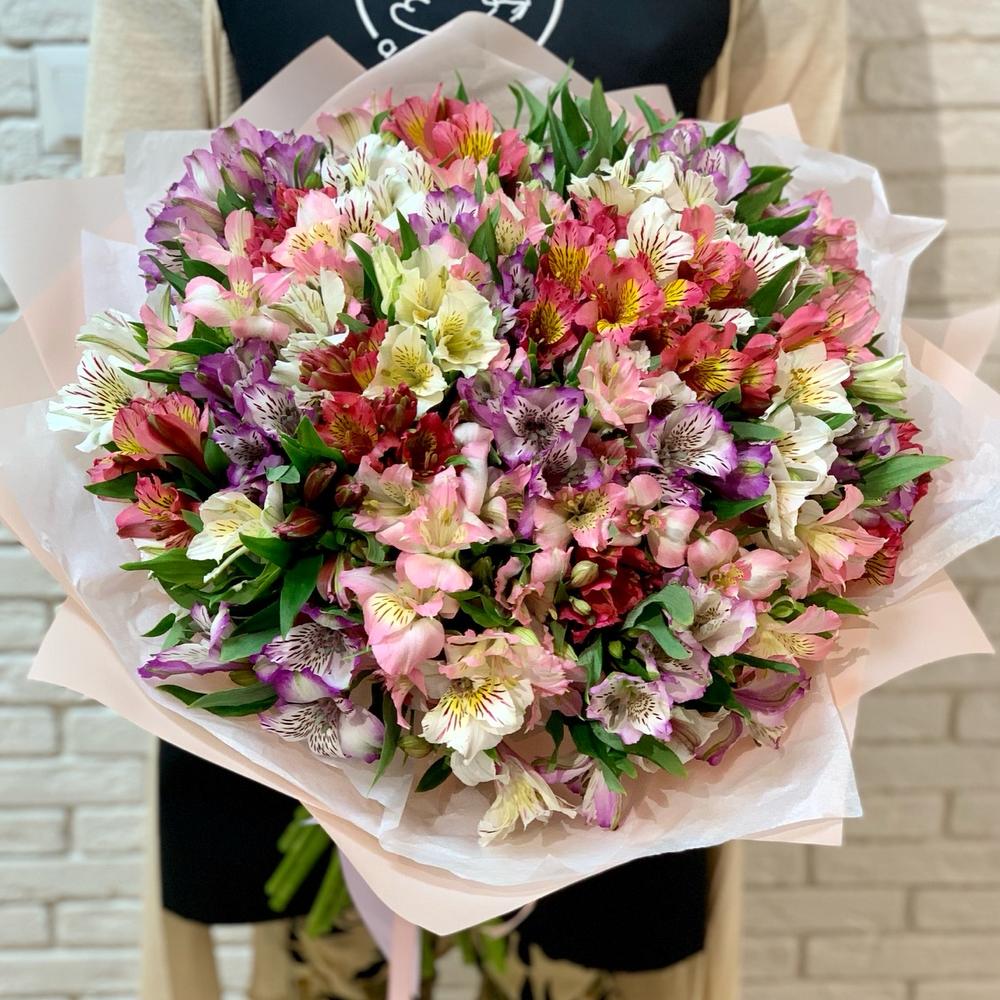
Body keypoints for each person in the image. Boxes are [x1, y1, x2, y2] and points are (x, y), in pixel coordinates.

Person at [81, 2, 848, 998]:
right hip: (290, 542)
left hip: (627, 591)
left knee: (596, 951)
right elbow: (127, 234)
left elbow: (792, 233)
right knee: (309, 947)